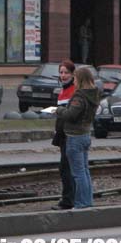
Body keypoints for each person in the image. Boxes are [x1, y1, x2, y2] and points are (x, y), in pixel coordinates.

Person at [62, 66, 101, 209]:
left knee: (78, 173)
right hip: (85, 134)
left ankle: (81, 203)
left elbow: (71, 115)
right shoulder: (94, 94)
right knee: (84, 171)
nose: (74, 81)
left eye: (75, 78)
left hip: (75, 137)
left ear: (80, 79)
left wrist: (59, 110)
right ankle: (87, 200)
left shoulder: (80, 96)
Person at [52, 60, 76, 210]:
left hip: (69, 133)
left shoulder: (73, 90)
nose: (63, 75)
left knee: (67, 168)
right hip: (62, 133)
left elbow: (70, 113)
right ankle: (69, 198)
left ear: (72, 74)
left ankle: (68, 200)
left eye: (66, 72)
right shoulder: (62, 91)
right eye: (61, 72)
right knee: (65, 168)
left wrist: (59, 111)